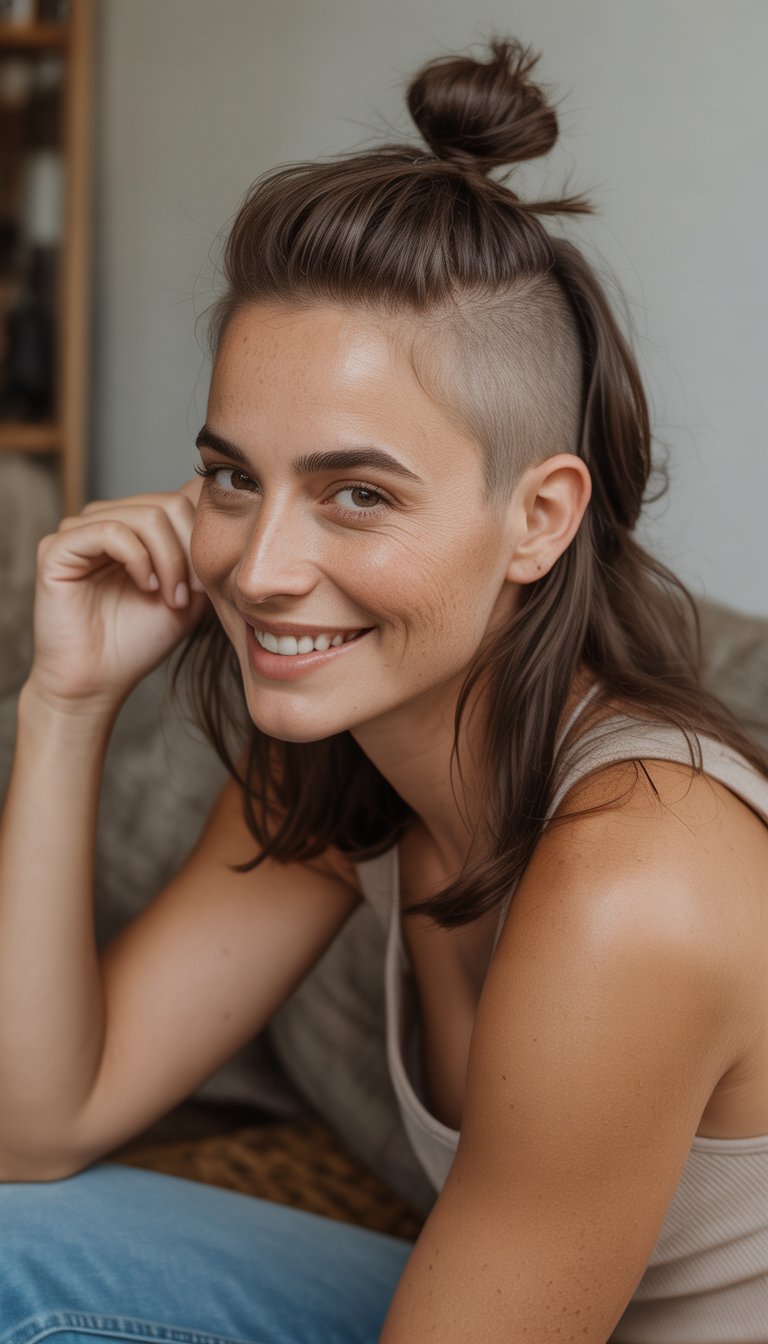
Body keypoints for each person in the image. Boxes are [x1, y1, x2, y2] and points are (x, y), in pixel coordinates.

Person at [1, 35, 766, 1344]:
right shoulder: (344, 762)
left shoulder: (644, 872)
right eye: (236, 477)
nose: (262, 568)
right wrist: (63, 706)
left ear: (539, 519)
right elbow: (37, 1124)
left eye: (358, 493)